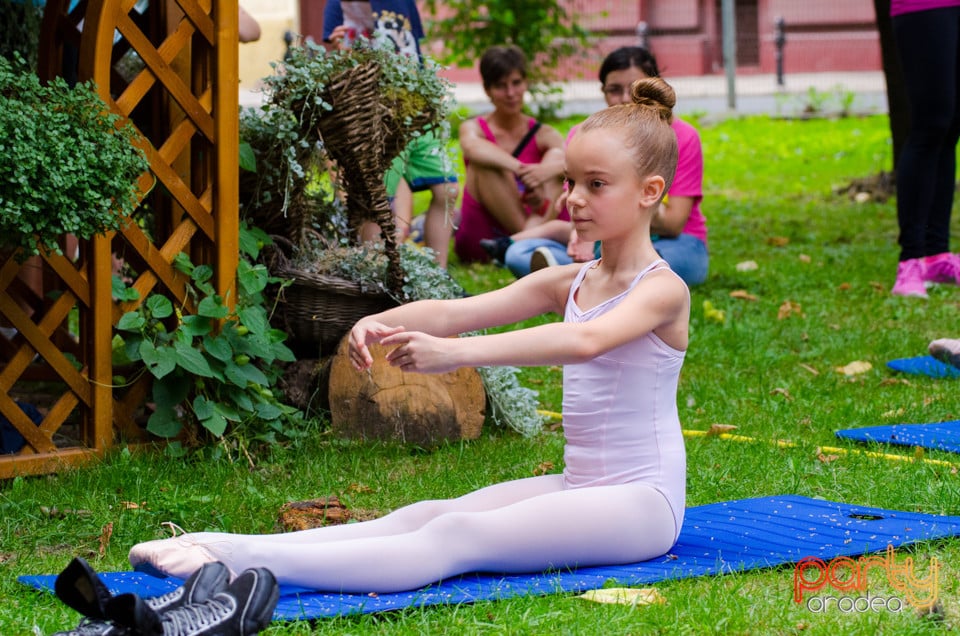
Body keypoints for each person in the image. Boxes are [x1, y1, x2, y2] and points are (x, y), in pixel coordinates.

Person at [127, 77, 690, 595]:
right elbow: (452, 312)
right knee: (426, 514)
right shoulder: (574, 279)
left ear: (649, 191)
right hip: (582, 485)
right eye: (570, 181)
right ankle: (224, 546)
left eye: (596, 185)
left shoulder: (663, 291)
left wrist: (454, 357)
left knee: (458, 537)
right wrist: (376, 321)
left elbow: (585, 343)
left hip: (643, 505)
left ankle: (233, 569)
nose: (573, 198)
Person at [500, 46, 708, 285]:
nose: (623, 99)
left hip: (672, 242)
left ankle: (581, 276)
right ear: (603, 91)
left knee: (662, 263)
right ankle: (601, 275)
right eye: (614, 90)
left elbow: (673, 223)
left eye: (633, 90)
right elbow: (578, 207)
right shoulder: (583, 135)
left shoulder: (681, 136)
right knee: (518, 254)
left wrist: (607, 215)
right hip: (602, 240)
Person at [322, 0, 459, 268]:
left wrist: (428, 89)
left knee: (447, 188)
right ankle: (374, 278)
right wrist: (342, 49)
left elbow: (413, 48)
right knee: (378, 197)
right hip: (376, 115)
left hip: (414, 108)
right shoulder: (339, 2)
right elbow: (337, 57)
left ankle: (440, 278)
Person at [454, 45, 566, 263]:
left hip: (536, 217)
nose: (511, 93)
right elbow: (472, 147)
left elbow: (573, 163)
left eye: (516, 83)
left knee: (556, 159)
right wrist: (521, 171)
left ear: (525, 83)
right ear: (487, 90)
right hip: (485, 236)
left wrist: (543, 174)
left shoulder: (543, 133)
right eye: (500, 86)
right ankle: (523, 246)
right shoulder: (474, 127)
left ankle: (515, 245)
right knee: (484, 164)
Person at [889, 0, 960, 297]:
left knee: (951, 126)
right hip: (924, 5)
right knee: (931, 123)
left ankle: (937, 256)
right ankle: (910, 261)